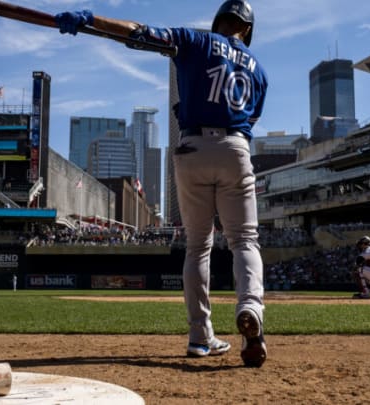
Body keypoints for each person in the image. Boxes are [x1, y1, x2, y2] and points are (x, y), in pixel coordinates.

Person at [55, 0, 268, 367]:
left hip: (190, 148)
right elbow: (250, 117)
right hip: (235, 147)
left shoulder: (196, 41)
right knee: (244, 240)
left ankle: (200, 337)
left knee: (198, 247)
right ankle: (251, 310)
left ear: (218, 22)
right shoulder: (259, 71)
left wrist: (91, 20)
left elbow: (139, 32)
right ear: (246, 30)